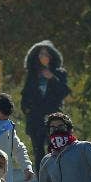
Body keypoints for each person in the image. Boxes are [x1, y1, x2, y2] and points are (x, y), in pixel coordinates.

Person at [20, 40, 71, 171]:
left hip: (54, 119)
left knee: (56, 150)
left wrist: (52, 78)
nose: (44, 57)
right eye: (41, 54)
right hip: (35, 118)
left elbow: (64, 92)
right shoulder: (32, 75)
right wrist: (26, 109)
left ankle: (57, 181)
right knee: (38, 153)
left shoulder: (60, 73)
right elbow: (25, 95)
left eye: (47, 54)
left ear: (52, 56)